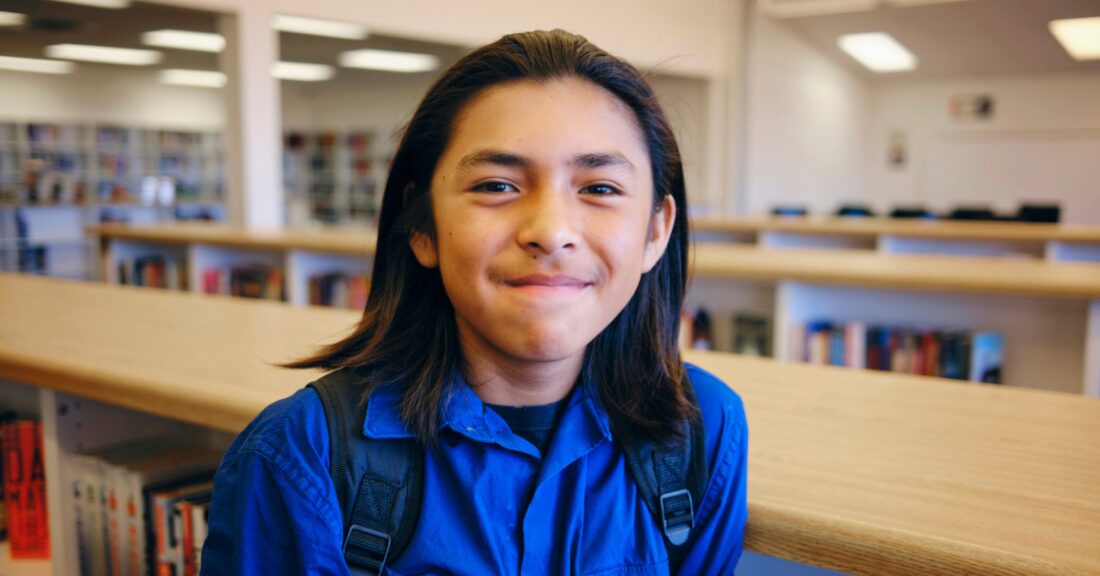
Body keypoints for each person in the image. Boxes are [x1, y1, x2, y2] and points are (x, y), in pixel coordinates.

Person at [201, 29, 748, 575]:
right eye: (496, 185)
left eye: (599, 188)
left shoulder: (702, 428)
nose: (550, 231)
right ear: (422, 227)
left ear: (656, 231)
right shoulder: (303, 454)